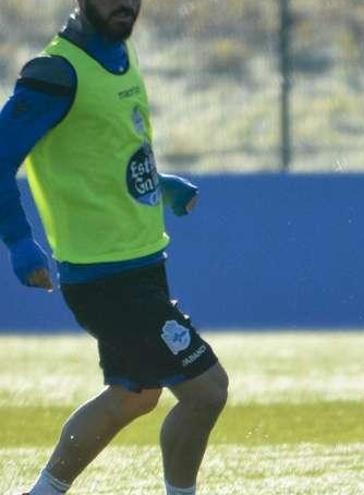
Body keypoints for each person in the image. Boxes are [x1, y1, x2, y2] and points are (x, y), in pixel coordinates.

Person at [0, 1, 228, 494]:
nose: (125, 4)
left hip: (140, 266)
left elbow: (107, 150)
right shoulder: (55, 73)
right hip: (107, 278)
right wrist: (20, 241)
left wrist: (160, 183)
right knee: (206, 392)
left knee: (133, 395)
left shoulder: (120, 54)